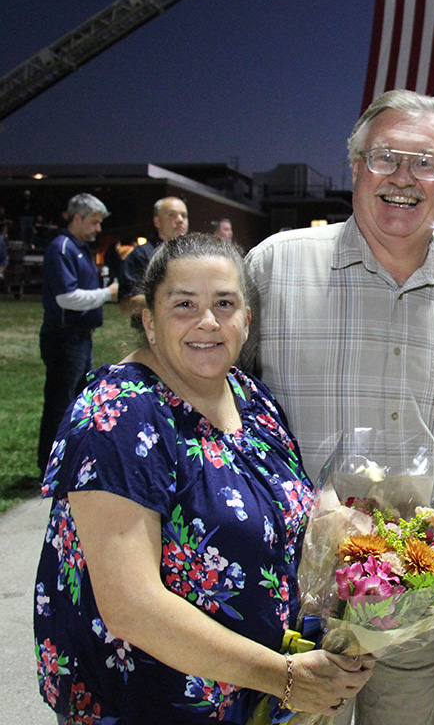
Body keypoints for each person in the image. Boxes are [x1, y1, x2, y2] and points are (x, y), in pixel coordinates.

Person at [34, 233, 374, 725]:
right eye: (184, 304)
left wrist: (363, 545)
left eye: (224, 303)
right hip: (152, 706)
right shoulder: (119, 414)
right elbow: (131, 606)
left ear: (247, 320)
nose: (208, 321)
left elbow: (295, 503)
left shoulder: (252, 399)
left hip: (253, 696)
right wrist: (283, 677)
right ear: (149, 321)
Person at [240, 89, 434, 725]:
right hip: (293, 598)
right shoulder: (274, 267)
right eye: (385, 157)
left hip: (423, 610)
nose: (404, 178)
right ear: (354, 167)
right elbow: (213, 402)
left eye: (426, 163)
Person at [37, 193, 118, 480]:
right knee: (60, 403)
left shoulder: (78, 248)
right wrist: (106, 294)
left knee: (76, 403)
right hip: (64, 338)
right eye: (94, 222)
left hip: (80, 338)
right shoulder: (62, 248)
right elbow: (66, 297)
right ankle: (49, 466)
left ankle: (68, 460)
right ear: (76, 218)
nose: (98, 229)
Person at [119, 196, 188, 317]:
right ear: (157, 222)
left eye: (184, 215)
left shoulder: (194, 254)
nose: (180, 220)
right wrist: (174, 301)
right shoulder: (142, 254)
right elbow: (127, 304)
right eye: (172, 215)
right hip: (152, 332)